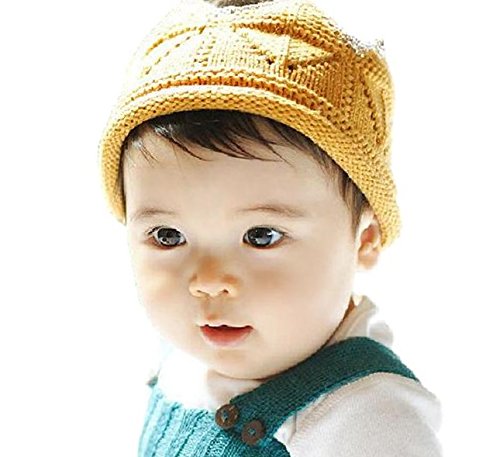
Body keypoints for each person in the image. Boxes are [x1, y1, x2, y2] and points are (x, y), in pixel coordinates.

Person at [97, 0, 443, 455]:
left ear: (364, 239)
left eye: (261, 236)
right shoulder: (187, 353)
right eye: (168, 236)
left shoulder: (366, 418)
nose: (208, 281)